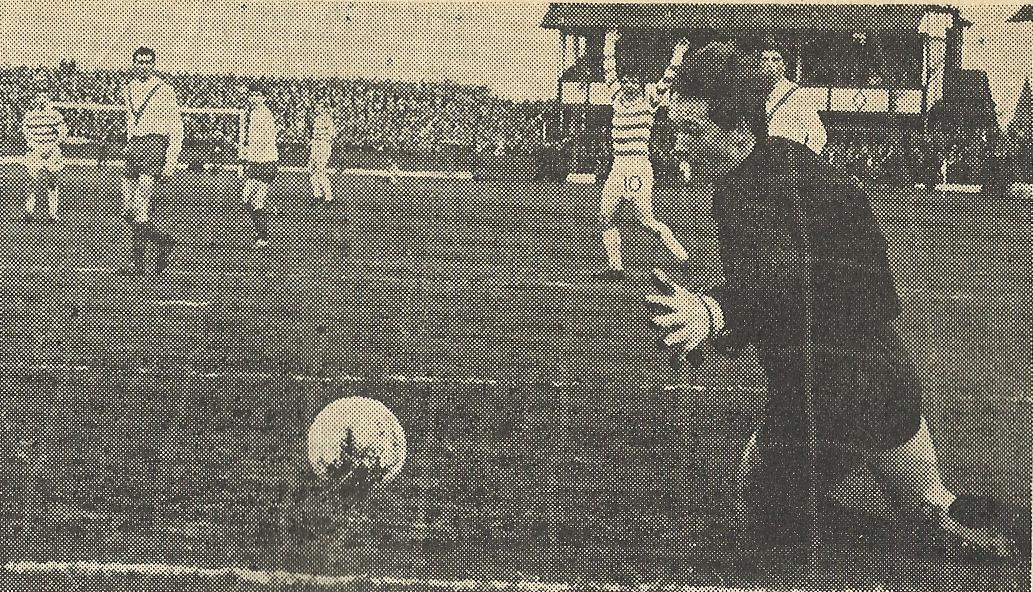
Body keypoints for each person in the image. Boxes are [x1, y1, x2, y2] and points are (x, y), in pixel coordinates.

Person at [647, 41, 1026, 561]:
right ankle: (973, 520)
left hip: (834, 381)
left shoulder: (747, 188)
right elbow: (848, 281)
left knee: (768, 516)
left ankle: (900, 531)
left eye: (692, 130)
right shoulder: (800, 166)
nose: (678, 145)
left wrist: (713, 315)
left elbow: (780, 287)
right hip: (881, 363)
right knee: (921, 492)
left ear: (734, 129)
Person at [595, 31, 692, 281]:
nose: (628, 85)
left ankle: (682, 256)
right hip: (618, 167)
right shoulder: (616, 97)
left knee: (646, 221)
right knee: (605, 215)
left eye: (633, 82)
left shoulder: (650, 100)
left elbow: (668, 78)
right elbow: (608, 70)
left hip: (637, 167)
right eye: (625, 80)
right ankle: (615, 267)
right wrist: (609, 43)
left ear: (639, 84)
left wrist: (678, 53)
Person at [121, 47, 183, 276]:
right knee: (128, 210)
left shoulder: (164, 89)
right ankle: (164, 240)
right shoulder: (128, 88)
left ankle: (137, 267)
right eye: (140, 61)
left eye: (148, 62)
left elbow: (176, 126)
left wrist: (171, 161)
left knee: (141, 205)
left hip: (154, 146)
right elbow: (130, 120)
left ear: (154, 64)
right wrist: (128, 143)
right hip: (134, 147)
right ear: (134, 64)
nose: (144, 65)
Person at [752, 38, 826, 155]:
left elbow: (818, 135)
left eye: (775, 60)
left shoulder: (797, 95)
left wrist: (803, 160)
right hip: (766, 159)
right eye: (765, 59)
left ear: (784, 65)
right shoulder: (755, 94)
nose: (770, 65)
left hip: (789, 158)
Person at [238, 82, 278, 248]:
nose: (254, 98)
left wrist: (247, 153)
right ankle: (262, 233)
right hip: (256, 162)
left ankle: (263, 237)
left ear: (264, 98)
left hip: (266, 162)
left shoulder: (265, 115)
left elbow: (265, 139)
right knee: (247, 199)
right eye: (252, 95)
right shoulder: (252, 113)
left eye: (258, 95)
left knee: (255, 200)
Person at [21, 90, 67, 224]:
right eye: (39, 98)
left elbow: (63, 132)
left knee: (52, 182)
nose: (41, 101)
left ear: (48, 100)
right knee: (31, 182)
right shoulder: (29, 116)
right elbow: (26, 135)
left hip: (52, 152)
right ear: (35, 100)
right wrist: (37, 148)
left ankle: (53, 213)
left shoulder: (55, 115)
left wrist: (52, 146)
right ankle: (28, 211)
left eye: (44, 98)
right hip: (35, 152)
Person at [308, 99, 337, 204]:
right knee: (311, 169)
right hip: (315, 145)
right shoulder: (317, 118)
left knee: (320, 170)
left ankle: (329, 196)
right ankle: (317, 194)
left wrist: (323, 140)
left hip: (323, 145)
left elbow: (332, 134)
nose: (316, 108)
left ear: (324, 108)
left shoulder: (327, 119)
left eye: (319, 107)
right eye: (316, 107)